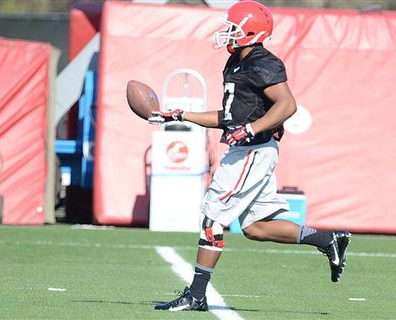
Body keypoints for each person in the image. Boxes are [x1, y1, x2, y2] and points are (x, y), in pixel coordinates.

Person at [148, 0, 351, 312]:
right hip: (249, 149)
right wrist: (180, 115)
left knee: (212, 219)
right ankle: (328, 239)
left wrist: (251, 128)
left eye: (233, 27)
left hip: (252, 151)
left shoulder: (263, 62)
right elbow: (229, 116)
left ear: (251, 32)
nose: (227, 32)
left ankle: (196, 295)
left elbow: (287, 104)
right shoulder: (235, 63)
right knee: (256, 227)